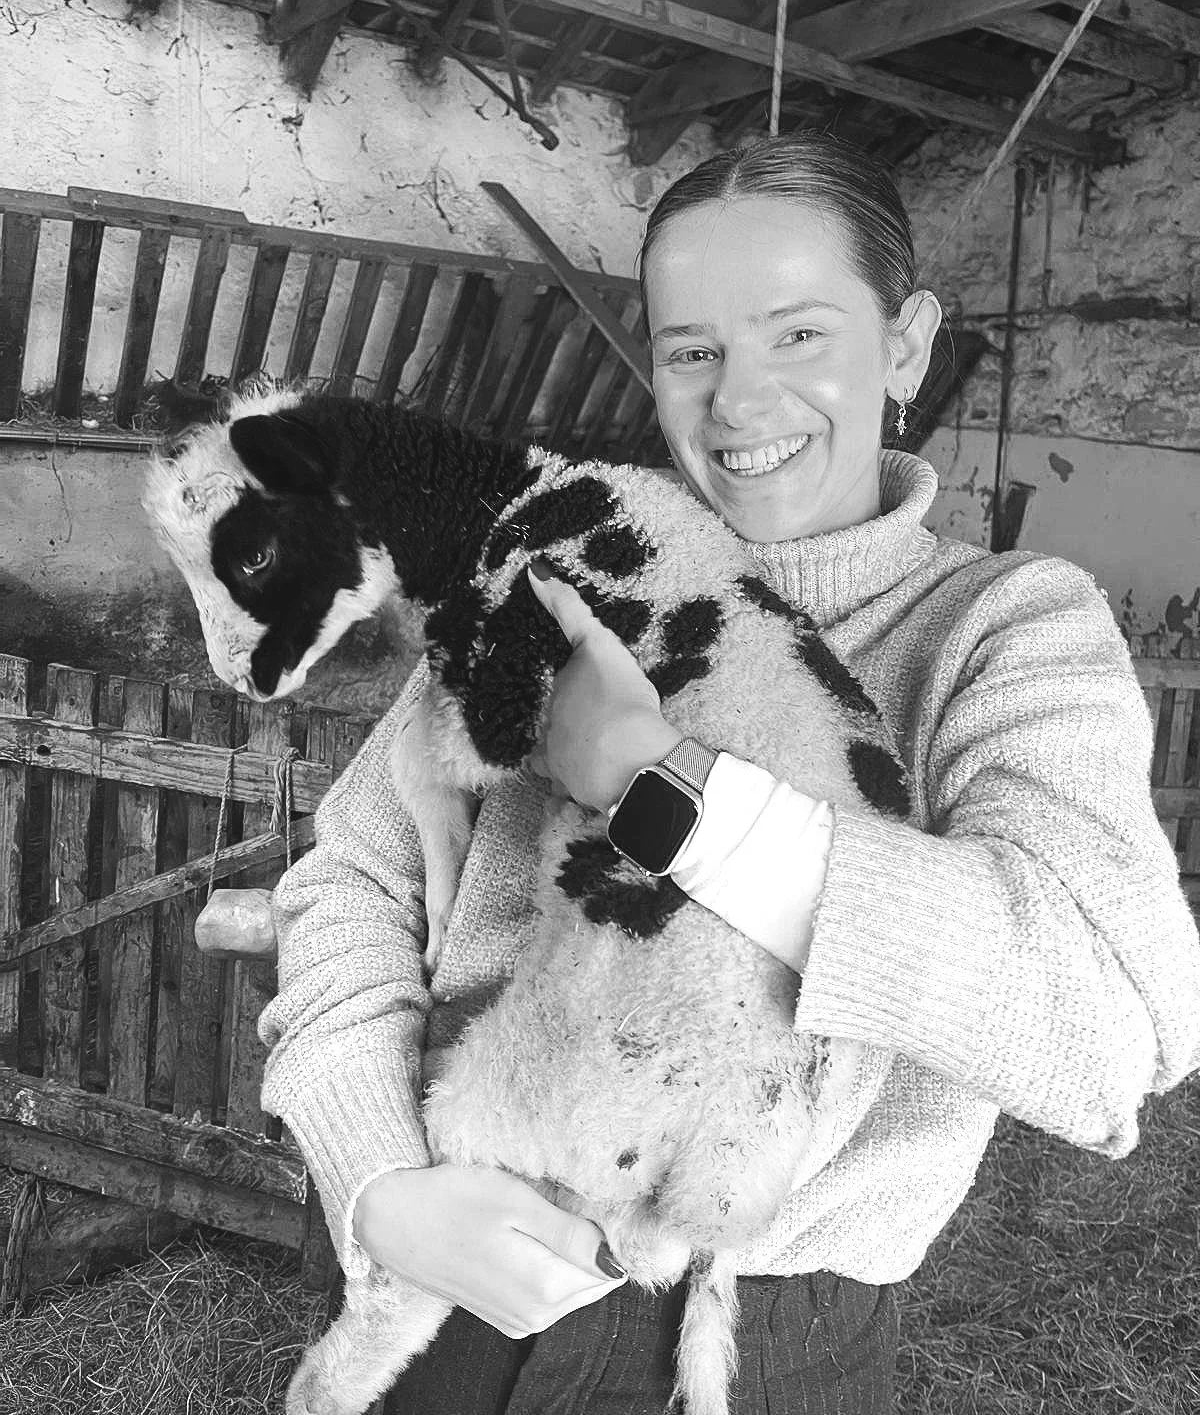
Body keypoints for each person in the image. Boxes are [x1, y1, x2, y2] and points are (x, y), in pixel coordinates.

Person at [259, 133, 1200, 1414]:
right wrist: (376, 1178)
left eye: (799, 334)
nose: (739, 403)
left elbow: (1112, 1032)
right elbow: (347, 881)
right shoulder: (565, 565)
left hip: (763, 1345)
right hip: (449, 1278)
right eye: (692, 349)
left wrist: (665, 785)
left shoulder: (1009, 628)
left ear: (908, 344)